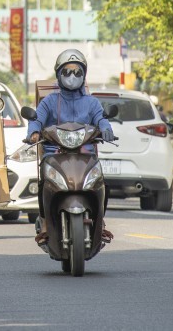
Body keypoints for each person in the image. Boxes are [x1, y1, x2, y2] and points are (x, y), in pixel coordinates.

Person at [26, 48, 115, 244]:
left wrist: (106, 128)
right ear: (58, 74)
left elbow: (101, 118)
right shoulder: (50, 101)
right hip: (54, 155)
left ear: (84, 75)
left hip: (86, 155)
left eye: (77, 72)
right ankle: (47, 224)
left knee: (101, 183)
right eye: (67, 72)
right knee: (44, 184)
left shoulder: (92, 103)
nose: (72, 76)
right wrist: (33, 132)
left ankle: (100, 224)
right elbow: (37, 119)